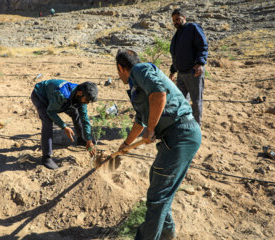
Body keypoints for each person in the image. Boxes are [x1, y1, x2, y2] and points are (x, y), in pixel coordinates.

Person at [116, 49, 202, 240]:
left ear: (120, 68)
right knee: (158, 180)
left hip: (180, 134)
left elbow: (159, 94)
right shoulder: (137, 86)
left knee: (157, 197)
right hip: (174, 139)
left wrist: (151, 129)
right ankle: (167, 233)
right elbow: (140, 121)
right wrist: (125, 144)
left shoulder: (140, 69)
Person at [31, 79, 97, 169]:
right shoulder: (62, 94)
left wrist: (88, 140)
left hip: (56, 98)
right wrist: (64, 126)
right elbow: (51, 112)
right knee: (48, 122)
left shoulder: (81, 94)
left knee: (76, 113)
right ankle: (46, 158)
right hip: (41, 96)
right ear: (80, 93)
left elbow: (84, 118)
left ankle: (81, 139)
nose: (87, 103)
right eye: (87, 100)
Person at [169, 8, 208, 125]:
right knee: (180, 101)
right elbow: (177, 55)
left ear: (184, 18)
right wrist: (172, 70)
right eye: (173, 20)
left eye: (177, 19)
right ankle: (185, 124)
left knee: (196, 102)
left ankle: (196, 127)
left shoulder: (192, 28)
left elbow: (203, 46)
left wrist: (200, 63)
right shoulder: (177, 35)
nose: (175, 22)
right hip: (181, 74)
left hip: (193, 72)